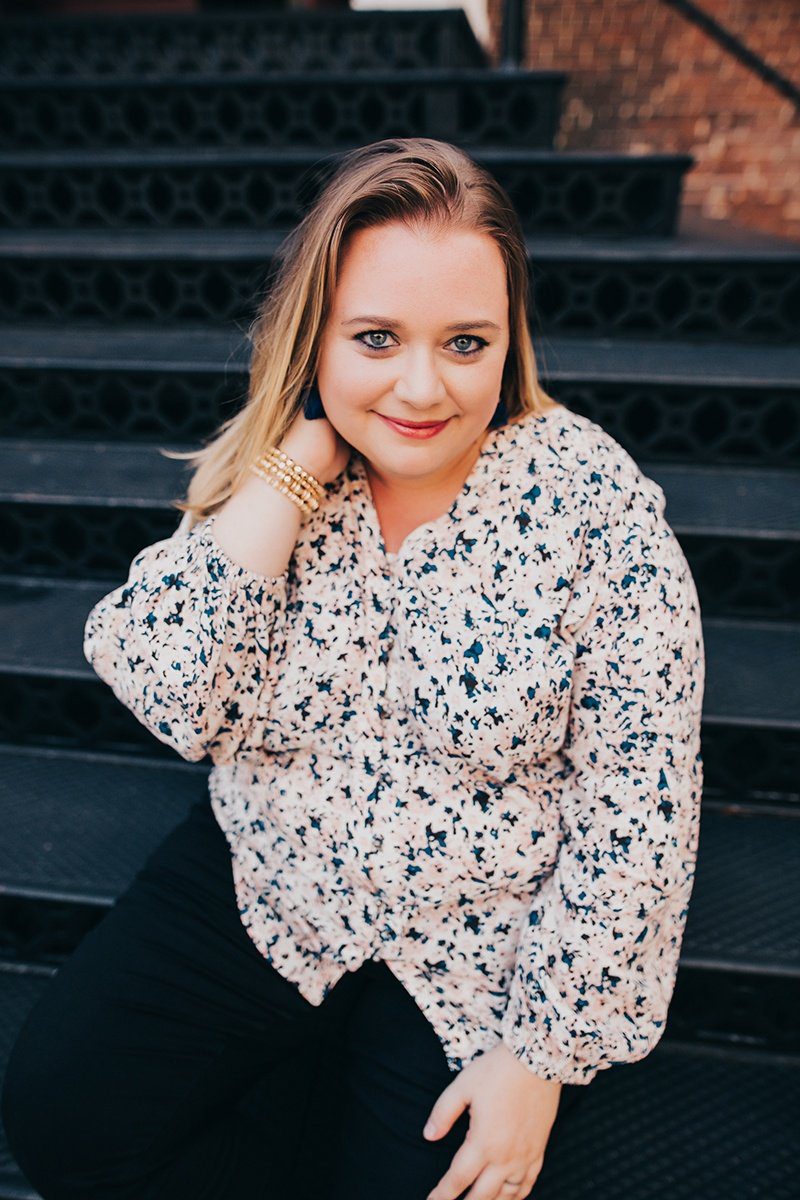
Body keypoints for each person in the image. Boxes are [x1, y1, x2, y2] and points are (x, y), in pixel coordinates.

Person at [1, 137, 706, 1200]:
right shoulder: (288, 472)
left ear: (509, 338)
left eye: (464, 342)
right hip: (272, 884)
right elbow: (170, 691)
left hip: (475, 940)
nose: (421, 387)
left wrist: (540, 1058)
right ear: (314, 335)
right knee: (66, 1113)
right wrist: (299, 464)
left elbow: (636, 808)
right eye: (374, 337)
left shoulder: (594, 515)